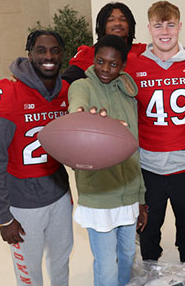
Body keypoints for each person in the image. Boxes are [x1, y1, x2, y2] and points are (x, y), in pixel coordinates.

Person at [0, 30, 73, 286]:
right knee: (29, 273)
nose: (49, 56)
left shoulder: (65, 91)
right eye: (41, 50)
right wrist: (3, 217)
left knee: (61, 260)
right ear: (29, 54)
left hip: (59, 195)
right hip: (23, 202)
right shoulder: (8, 93)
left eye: (55, 50)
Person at [124, 0, 185, 262]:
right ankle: (150, 272)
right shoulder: (134, 66)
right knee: (149, 228)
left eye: (171, 24)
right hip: (149, 165)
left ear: (180, 27)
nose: (165, 31)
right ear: (149, 28)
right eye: (158, 25)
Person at [68, 35, 147, 286]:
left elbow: (135, 149)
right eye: (100, 61)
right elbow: (77, 108)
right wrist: (84, 119)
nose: (105, 68)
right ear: (93, 59)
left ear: (122, 65)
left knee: (127, 254)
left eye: (113, 64)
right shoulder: (82, 86)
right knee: (106, 264)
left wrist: (141, 198)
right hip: (99, 193)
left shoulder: (127, 92)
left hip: (128, 192)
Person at [62, 1, 146, 83]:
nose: (117, 23)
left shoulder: (143, 52)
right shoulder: (87, 54)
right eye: (111, 20)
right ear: (102, 26)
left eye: (123, 19)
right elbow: (65, 84)